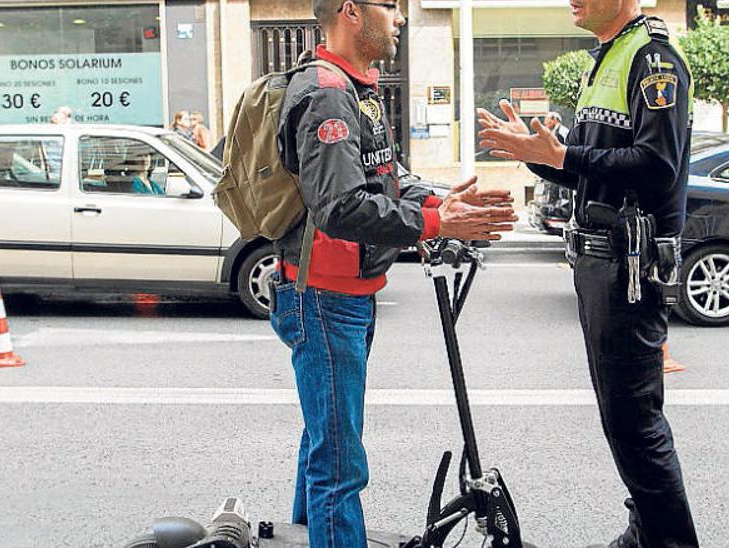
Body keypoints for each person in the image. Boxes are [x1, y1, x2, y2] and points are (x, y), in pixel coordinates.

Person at [273, 1, 518, 546]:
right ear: (351, 11)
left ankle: (300, 537)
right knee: (339, 466)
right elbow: (340, 206)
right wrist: (434, 223)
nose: (400, 17)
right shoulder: (327, 94)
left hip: (349, 295)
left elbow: (386, 177)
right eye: (390, 5)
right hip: (322, 296)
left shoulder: (359, 87)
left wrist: (441, 202)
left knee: (326, 443)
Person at [477, 0, 698, 546]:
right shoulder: (607, 58)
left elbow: (656, 165)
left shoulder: (654, 59)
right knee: (622, 420)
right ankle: (645, 532)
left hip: (627, 265)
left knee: (636, 424)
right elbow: (594, 173)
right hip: (600, 260)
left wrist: (564, 156)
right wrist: (543, 155)